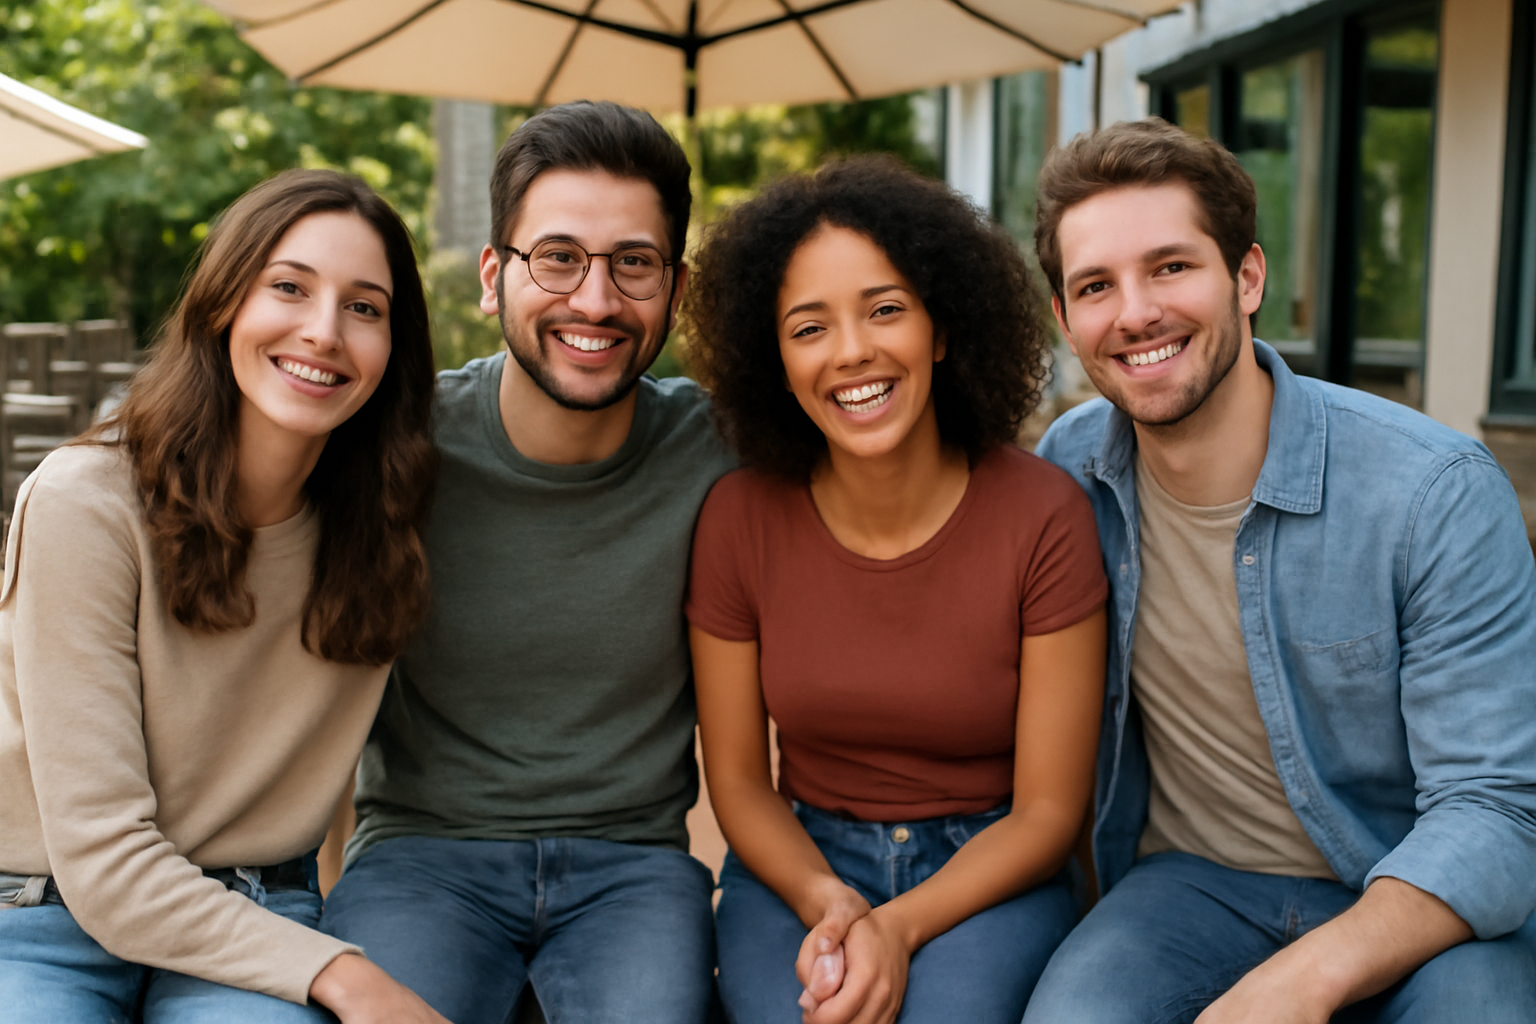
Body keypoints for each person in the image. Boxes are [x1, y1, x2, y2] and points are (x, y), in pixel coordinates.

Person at [1021, 118, 1536, 1024]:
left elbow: (1496, 808)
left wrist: (1303, 979)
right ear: (1065, 319)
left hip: (1408, 882)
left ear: (1247, 277)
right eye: (1096, 286)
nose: (1135, 312)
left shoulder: (1433, 493)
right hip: (1188, 889)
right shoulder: (1069, 473)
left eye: (1172, 266)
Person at [319, 101, 736, 1024]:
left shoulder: (723, 450)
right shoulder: (396, 448)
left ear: (675, 285)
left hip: (634, 864)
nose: (595, 300)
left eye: (634, 263)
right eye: (557, 257)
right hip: (423, 854)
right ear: (492, 276)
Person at [0, 168, 448, 1023]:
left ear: (395, 349)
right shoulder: (85, 503)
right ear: (222, 303)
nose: (323, 332)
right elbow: (104, 859)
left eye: (365, 307)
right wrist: (352, 977)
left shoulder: (387, 527)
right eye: (288, 287)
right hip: (37, 912)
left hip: (254, 916)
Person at [682, 156, 1109, 1024]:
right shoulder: (738, 518)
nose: (852, 353)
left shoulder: (1044, 515)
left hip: (992, 869)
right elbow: (738, 782)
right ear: (776, 357)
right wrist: (828, 902)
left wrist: (900, 926)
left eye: (885, 311)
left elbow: (1050, 812)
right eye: (809, 328)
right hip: (802, 862)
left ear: (941, 329)